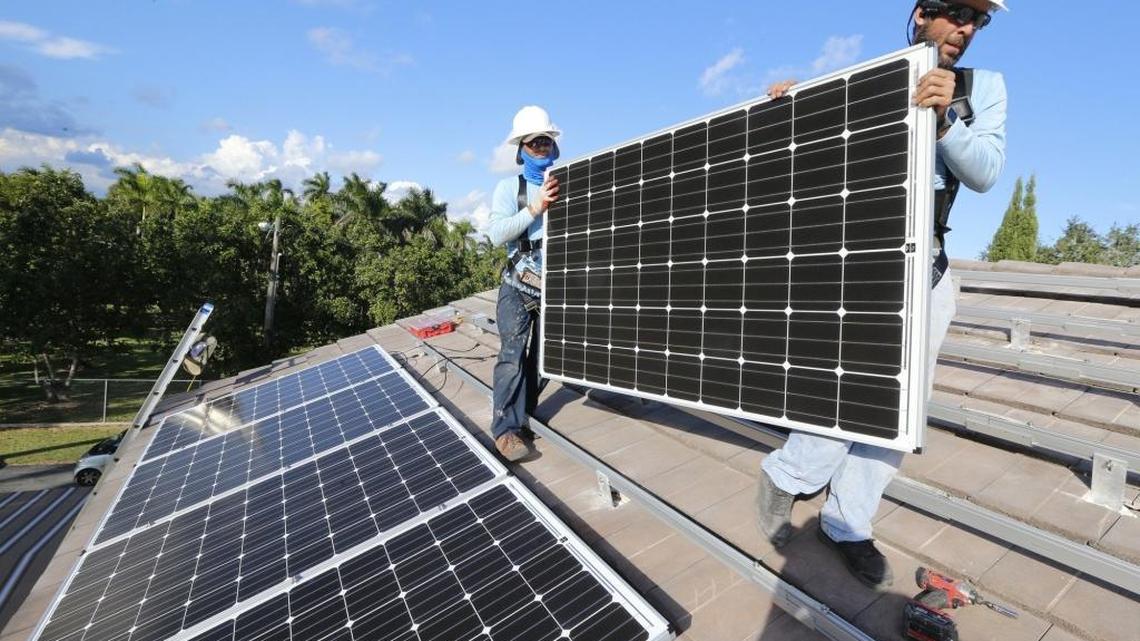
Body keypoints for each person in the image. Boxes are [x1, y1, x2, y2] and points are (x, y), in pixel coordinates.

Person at [755, 0, 1008, 589]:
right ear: (923, 13)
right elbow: (809, 162)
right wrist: (791, 107)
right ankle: (788, 477)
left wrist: (947, 120)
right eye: (958, 13)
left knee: (899, 410)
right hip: (860, 264)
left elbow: (987, 171)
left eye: (979, 20)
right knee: (844, 388)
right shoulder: (874, 77)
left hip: (929, 270)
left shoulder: (983, 87)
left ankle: (846, 523)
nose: (966, 29)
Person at [486, 106, 562, 461]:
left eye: (546, 141)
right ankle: (506, 430)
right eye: (534, 143)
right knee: (512, 356)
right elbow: (496, 233)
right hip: (517, 285)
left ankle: (524, 414)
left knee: (544, 360)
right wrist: (535, 208)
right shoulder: (509, 188)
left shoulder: (569, 182)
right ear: (521, 149)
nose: (541, 147)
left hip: (555, 287)